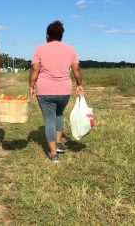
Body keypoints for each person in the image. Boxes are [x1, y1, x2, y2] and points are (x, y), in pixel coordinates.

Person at [29, 20, 84, 162]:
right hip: (64, 91)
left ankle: (53, 154)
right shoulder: (70, 49)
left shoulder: (39, 49)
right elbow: (76, 69)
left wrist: (31, 85)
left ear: (47, 36)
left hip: (45, 90)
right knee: (59, 114)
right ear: (61, 35)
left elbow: (35, 69)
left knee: (49, 120)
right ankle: (58, 144)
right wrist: (79, 84)